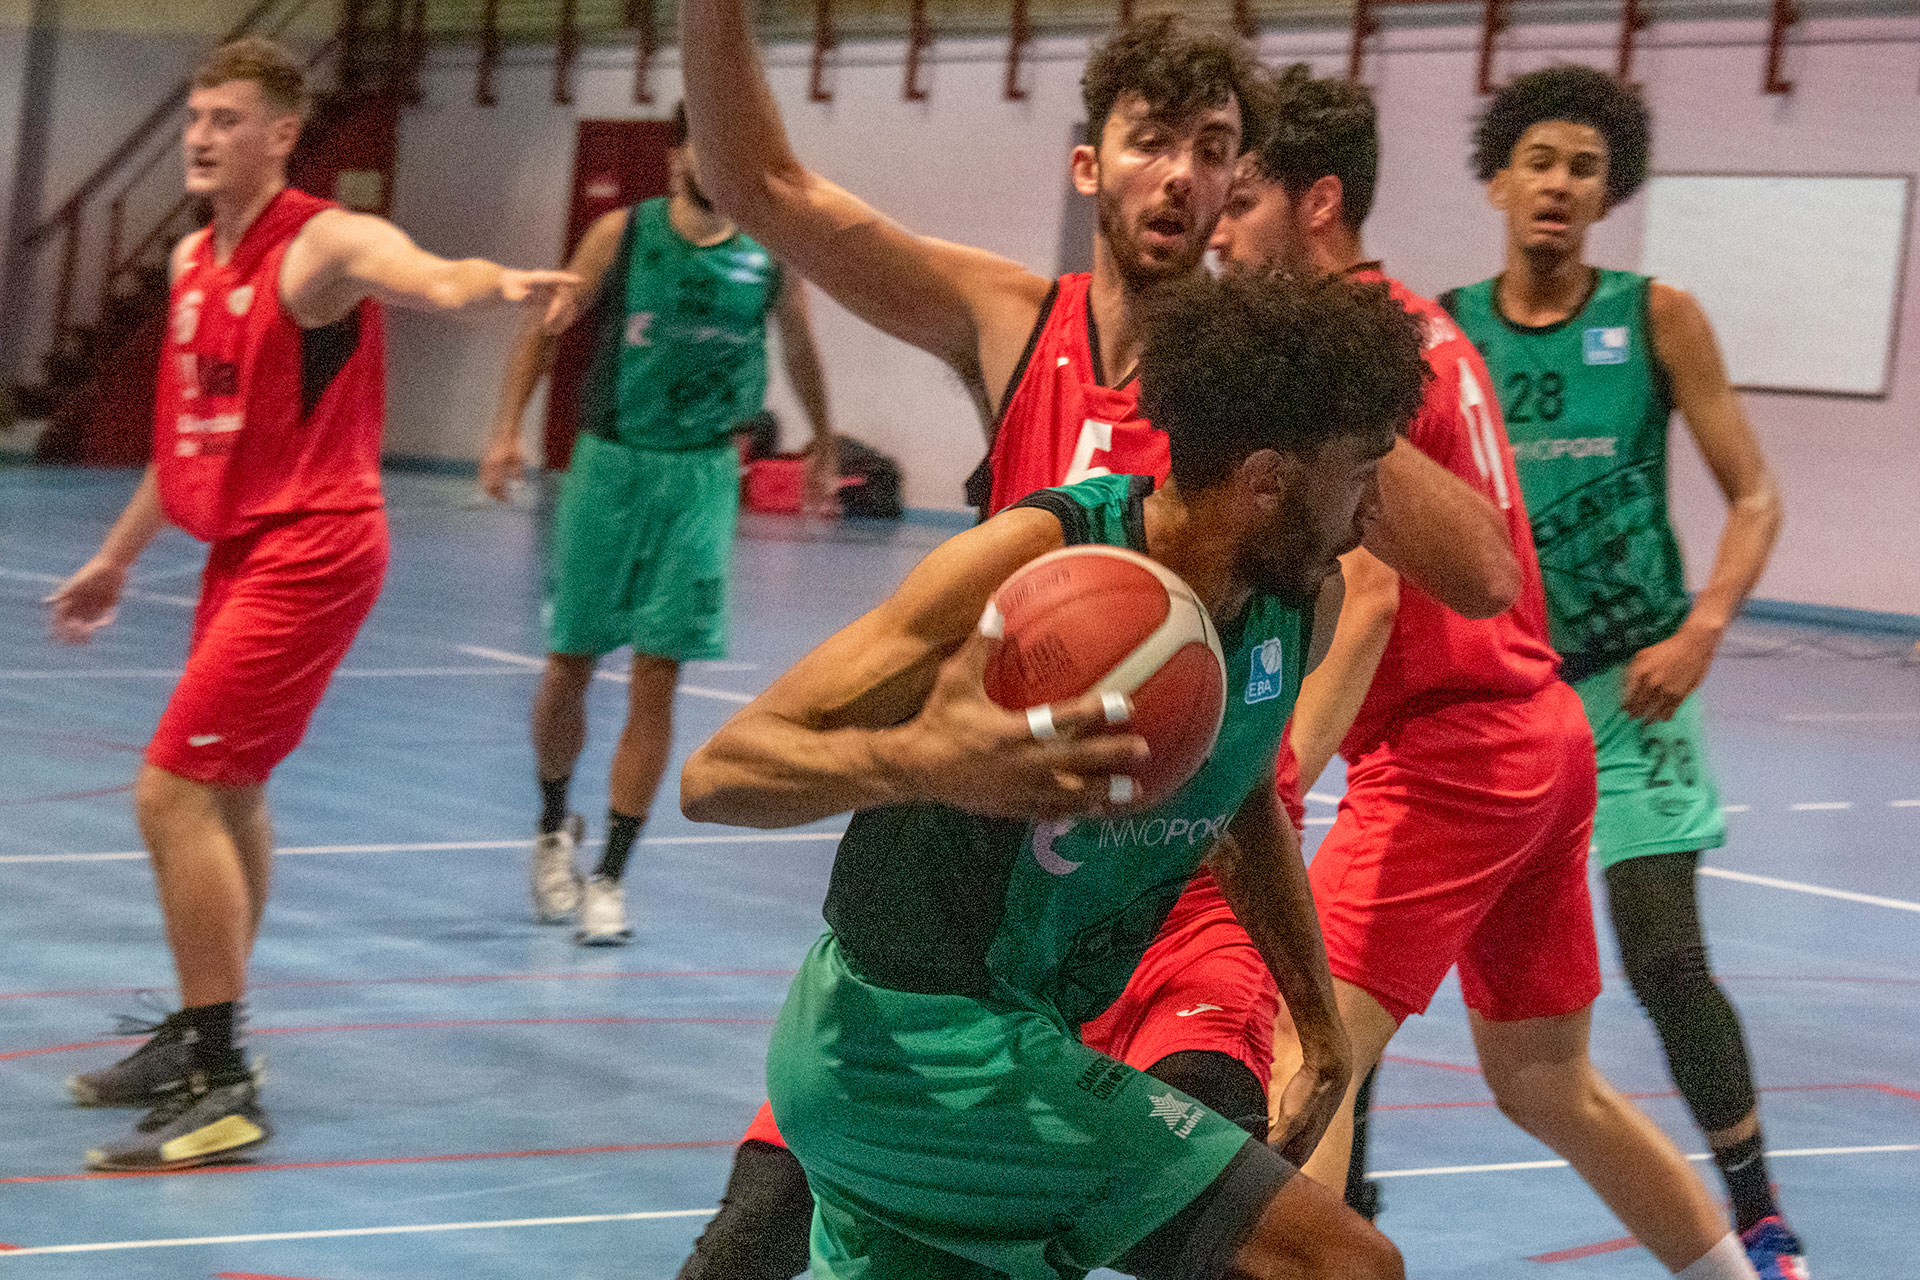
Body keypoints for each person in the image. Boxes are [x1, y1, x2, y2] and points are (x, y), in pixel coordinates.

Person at [669, 13, 1522, 1275]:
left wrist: (1341, 426)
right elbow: (763, 185)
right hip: (982, 885)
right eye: (1151, 140)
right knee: (754, 1235)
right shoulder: (1017, 330)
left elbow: (1485, 572)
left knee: (1248, 1215)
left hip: (1183, 887)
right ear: (1092, 166)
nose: (1180, 171)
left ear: (1240, 189)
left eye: (1215, 148)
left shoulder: (1284, 421)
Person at [681, 267, 1424, 1280]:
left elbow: (1244, 799)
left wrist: (1317, 1016)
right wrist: (913, 758)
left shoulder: (1298, 604)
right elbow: (719, 773)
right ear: (1267, 479)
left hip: (1010, 1043)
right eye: (1362, 471)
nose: (1375, 507)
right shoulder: (1031, 566)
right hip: (903, 1047)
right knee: (1345, 1264)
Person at [1210, 68, 1765, 1280]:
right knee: (1543, 1079)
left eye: (1240, 195)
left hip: (1453, 749)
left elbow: (1373, 584)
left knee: (1311, 1049)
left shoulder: (1340, 359)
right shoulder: (1425, 321)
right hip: (1545, 731)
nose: (1217, 221)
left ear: (1314, 204)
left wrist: (1278, 762)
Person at [47, 36, 577, 1171]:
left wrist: (500, 284)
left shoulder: (318, 244)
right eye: (194, 116)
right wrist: (115, 557)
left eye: (226, 119)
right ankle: (203, 1037)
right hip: (240, 548)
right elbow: (184, 440)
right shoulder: (196, 261)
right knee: (226, 788)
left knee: (171, 791)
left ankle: (225, 1076)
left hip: (316, 547)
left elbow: (425, 271)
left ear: (282, 134)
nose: (200, 136)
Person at [1438, 65, 1796, 1276]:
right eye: (1539, 159)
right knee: (1382, 961)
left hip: (1630, 685)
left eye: (1585, 167)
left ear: (1609, 191)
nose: (1559, 184)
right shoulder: (1447, 330)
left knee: (1664, 955)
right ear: (1498, 177)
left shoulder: (1655, 317)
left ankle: (1757, 1208)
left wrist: (1699, 629)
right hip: (1498, 694)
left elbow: (1754, 492)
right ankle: (1354, 1206)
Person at [480, 101, 835, 945]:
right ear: (678, 153)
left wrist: (824, 437)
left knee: (658, 674)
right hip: (610, 465)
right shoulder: (622, 236)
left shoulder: (770, 259)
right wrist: (504, 430)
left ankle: (610, 875)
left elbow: (799, 351)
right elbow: (545, 328)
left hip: (705, 474)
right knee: (569, 664)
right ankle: (552, 826)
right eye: (702, 147)